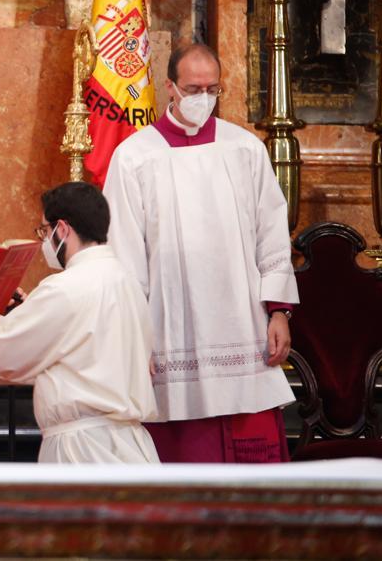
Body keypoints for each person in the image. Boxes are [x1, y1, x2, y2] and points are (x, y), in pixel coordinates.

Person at [102, 43, 299, 463]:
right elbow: (123, 253)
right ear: (169, 87)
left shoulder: (244, 149)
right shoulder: (134, 157)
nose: (203, 99)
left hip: (242, 320)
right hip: (170, 325)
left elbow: (272, 230)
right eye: (193, 89)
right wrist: (134, 336)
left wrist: (279, 310)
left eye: (212, 89)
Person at [0, 182, 159, 463]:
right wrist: (10, 321)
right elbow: (80, 351)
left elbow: (4, 348)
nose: (44, 241)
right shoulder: (125, 280)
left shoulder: (65, 287)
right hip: (127, 443)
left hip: (82, 450)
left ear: (62, 229)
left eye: (44, 230)